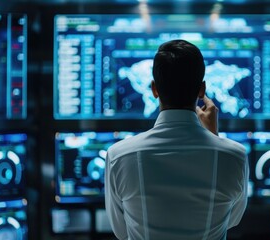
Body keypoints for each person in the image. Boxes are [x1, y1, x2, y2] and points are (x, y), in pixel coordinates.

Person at [105, 39, 248, 240]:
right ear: (202, 90)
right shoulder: (235, 155)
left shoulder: (118, 156)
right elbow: (231, 219)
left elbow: (121, 231)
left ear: (154, 89)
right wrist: (213, 139)